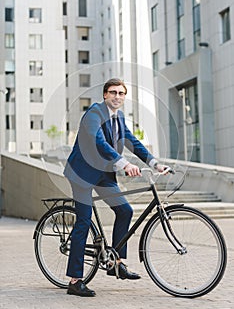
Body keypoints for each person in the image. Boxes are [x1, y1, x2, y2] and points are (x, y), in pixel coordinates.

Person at [63, 78, 170, 297]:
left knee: (125, 210)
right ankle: (75, 281)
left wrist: (154, 163)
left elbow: (131, 141)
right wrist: (125, 163)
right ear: (105, 95)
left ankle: (116, 263)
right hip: (82, 174)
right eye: (113, 92)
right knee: (83, 222)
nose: (117, 96)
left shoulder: (119, 116)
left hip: (103, 173)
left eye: (121, 93)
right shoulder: (94, 113)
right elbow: (98, 142)